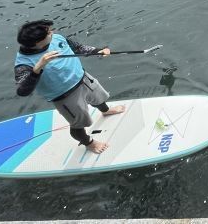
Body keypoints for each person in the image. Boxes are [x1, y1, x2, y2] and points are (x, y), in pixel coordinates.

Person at [14, 19, 125, 154]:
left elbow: (78, 48)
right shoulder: (23, 63)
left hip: (83, 79)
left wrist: (98, 51)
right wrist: (37, 68)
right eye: (49, 33)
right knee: (79, 124)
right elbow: (23, 91)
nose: (52, 33)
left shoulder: (57, 38)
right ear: (37, 42)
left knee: (99, 97)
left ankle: (106, 111)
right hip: (65, 96)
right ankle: (89, 143)